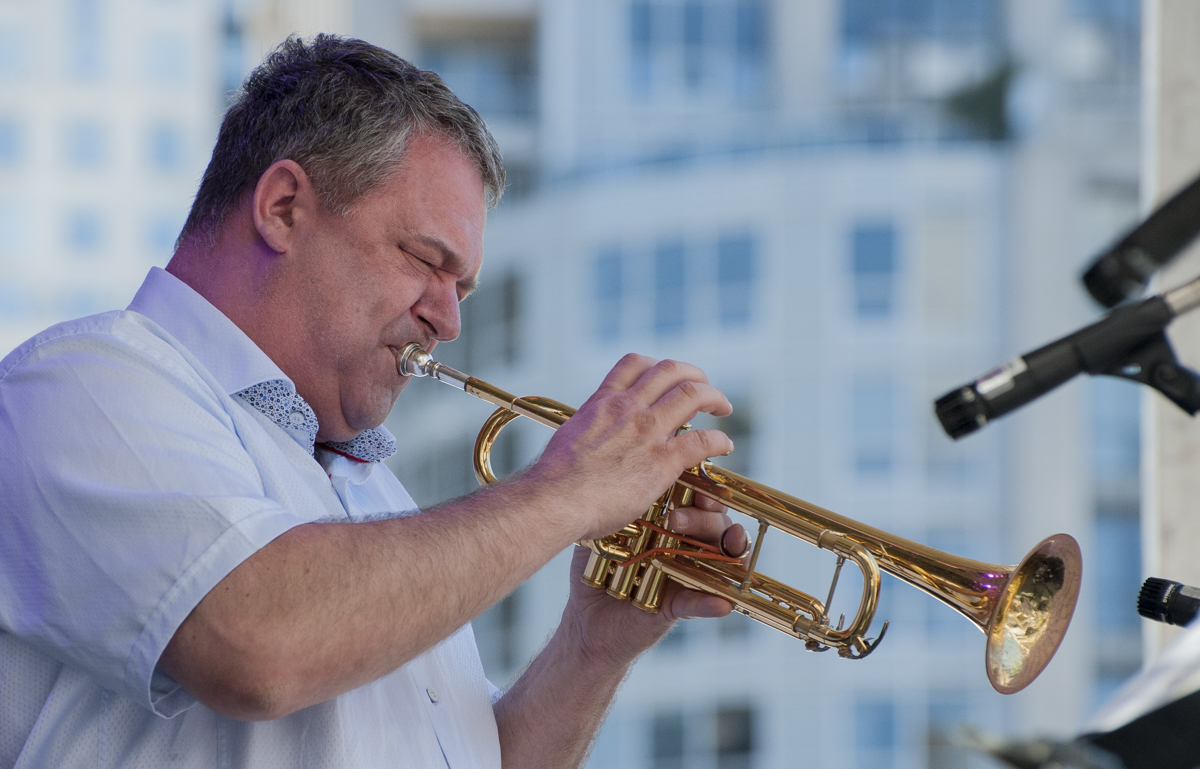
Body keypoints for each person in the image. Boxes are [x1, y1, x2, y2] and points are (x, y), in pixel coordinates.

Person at [0, 35, 748, 768]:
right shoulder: (82, 383)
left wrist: (596, 641)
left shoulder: (377, 497)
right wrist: (568, 491)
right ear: (284, 206)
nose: (448, 319)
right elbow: (258, 642)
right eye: (427, 260)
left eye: (463, 288)